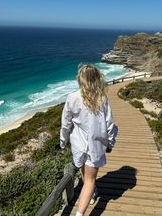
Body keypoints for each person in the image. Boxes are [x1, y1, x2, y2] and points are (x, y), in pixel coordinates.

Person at [60, 64, 118, 216]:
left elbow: (65, 124)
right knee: (90, 179)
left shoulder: (72, 98)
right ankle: (86, 201)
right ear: (97, 79)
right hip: (95, 145)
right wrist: (111, 143)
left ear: (81, 79)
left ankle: (86, 202)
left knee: (85, 175)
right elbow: (109, 124)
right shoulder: (102, 98)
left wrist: (63, 141)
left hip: (78, 144)